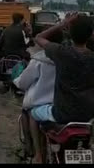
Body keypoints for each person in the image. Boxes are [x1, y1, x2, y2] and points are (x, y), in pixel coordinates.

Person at [29, 13, 94, 163]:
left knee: (33, 114)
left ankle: (38, 156)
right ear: (90, 34)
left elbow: (38, 38)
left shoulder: (61, 52)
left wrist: (62, 23)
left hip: (62, 114)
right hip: (88, 116)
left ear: (69, 32)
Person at [13, 29, 63, 158]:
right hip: (62, 104)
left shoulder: (38, 61)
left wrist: (16, 80)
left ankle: (34, 153)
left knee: (27, 111)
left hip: (40, 105)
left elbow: (23, 82)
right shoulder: (68, 59)